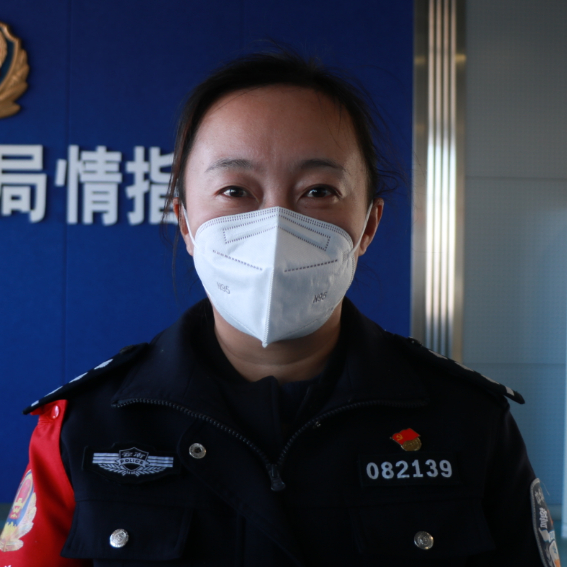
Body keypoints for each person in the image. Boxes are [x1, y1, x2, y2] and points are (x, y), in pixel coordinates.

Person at [0, 49, 560, 567]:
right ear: (185, 222)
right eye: (235, 191)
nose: (274, 226)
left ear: (369, 225)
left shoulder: (466, 421)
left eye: (318, 191)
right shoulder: (86, 426)